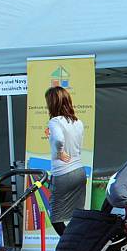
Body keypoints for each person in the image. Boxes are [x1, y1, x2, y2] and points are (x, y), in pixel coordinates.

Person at [45, 86, 86, 235]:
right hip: (79, 171)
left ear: (52, 103)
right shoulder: (78, 122)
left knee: (56, 216)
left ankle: (69, 244)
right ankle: (79, 244)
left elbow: (58, 139)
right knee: (77, 215)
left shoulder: (55, 121)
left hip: (63, 173)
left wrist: (59, 152)